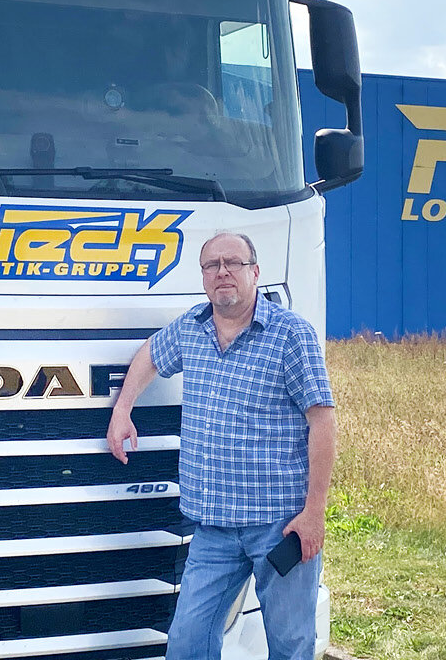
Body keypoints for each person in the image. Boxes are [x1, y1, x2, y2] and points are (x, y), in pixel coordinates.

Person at [106, 232, 336, 660]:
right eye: (212, 265)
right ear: (204, 277)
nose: (222, 271)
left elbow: (322, 422)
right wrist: (123, 409)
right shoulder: (191, 329)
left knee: (290, 646)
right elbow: (150, 356)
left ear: (255, 272)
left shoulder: (291, 335)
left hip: (280, 525)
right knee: (188, 645)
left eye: (233, 262)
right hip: (213, 530)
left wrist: (314, 513)